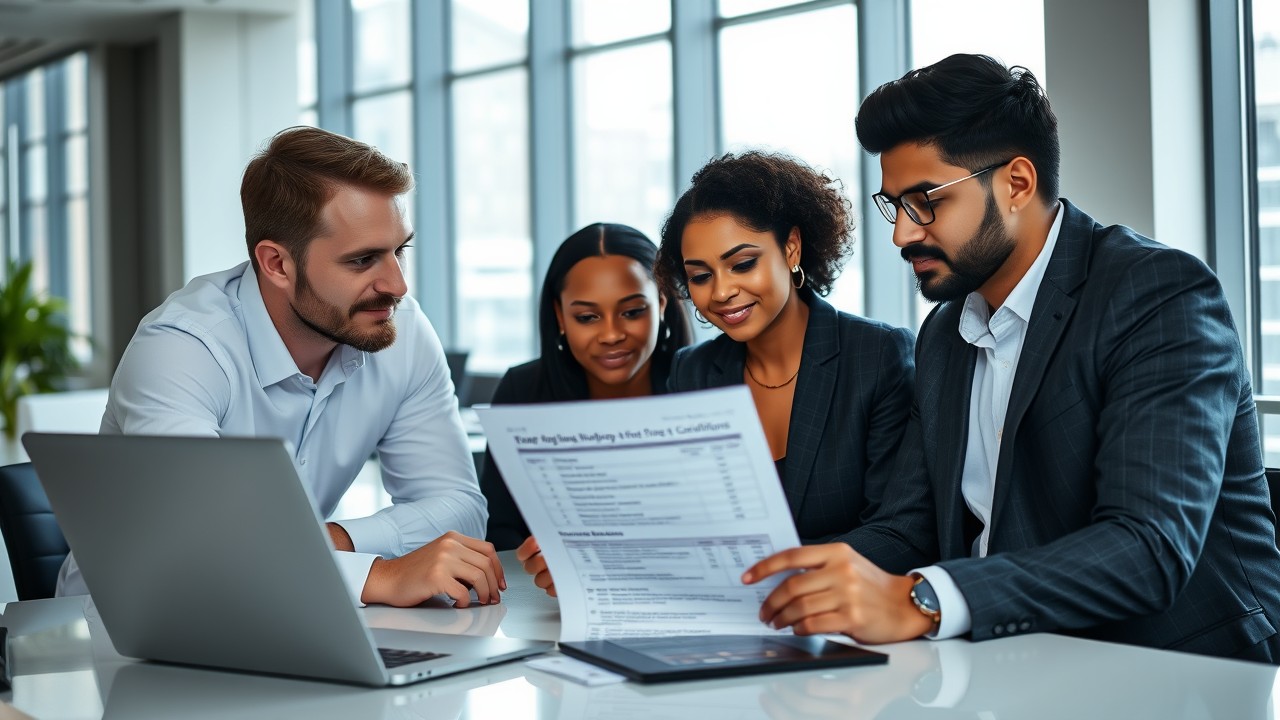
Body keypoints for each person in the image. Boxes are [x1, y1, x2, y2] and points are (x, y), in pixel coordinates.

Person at [743, 54, 1280, 663]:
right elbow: (910, 524)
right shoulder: (946, 333)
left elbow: (1148, 548)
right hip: (1005, 663)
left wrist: (924, 600)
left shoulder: (1157, 293)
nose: (902, 234)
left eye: (926, 202)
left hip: (1179, 674)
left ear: (1016, 184)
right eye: (894, 205)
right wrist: (774, 583)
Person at [57, 126, 504, 608]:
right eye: (363, 260)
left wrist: (335, 541)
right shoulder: (181, 349)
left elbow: (461, 512)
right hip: (116, 632)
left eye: (399, 251)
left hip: (288, 611)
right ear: (276, 264)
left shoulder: (402, 332)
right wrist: (379, 575)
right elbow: (196, 546)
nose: (396, 284)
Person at [652, 150, 915, 545]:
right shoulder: (692, 373)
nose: (721, 291)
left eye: (742, 264)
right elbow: (681, 523)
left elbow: (898, 532)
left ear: (791, 248)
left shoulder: (877, 356)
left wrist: (778, 574)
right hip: (728, 604)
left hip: (843, 602)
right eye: (701, 275)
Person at [483, 223, 693, 590]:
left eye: (631, 312)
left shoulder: (702, 383)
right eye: (587, 317)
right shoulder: (523, 391)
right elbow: (500, 529)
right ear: (560, 316)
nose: (611, 334)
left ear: (661, 302)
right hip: (548, 607)